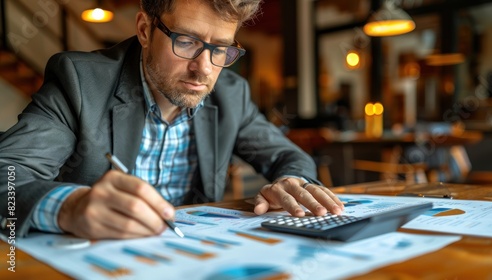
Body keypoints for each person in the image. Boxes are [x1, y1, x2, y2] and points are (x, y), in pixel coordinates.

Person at [0, 0, 343, 239]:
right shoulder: (79, 82)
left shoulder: (231, 93)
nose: (205, 68)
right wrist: (70, 208)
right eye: (187, 41)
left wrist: (291, 182)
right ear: (145, 30)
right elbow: (8, 170)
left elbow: (288, 156)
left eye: (221, 49)